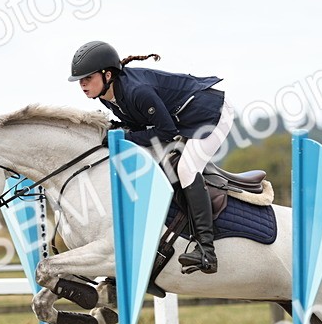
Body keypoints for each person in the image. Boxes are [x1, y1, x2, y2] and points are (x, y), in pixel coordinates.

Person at [68, 40, 234, 274]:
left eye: (87, 78)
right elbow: (138, 126)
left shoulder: (137, 91)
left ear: (107, 75)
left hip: (210, 115)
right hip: (181, 120)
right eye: (80, 81)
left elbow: (166, 133)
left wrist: (124, 137)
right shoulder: (106, 96)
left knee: (187, 169)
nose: (82, 84)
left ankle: (207, 251)